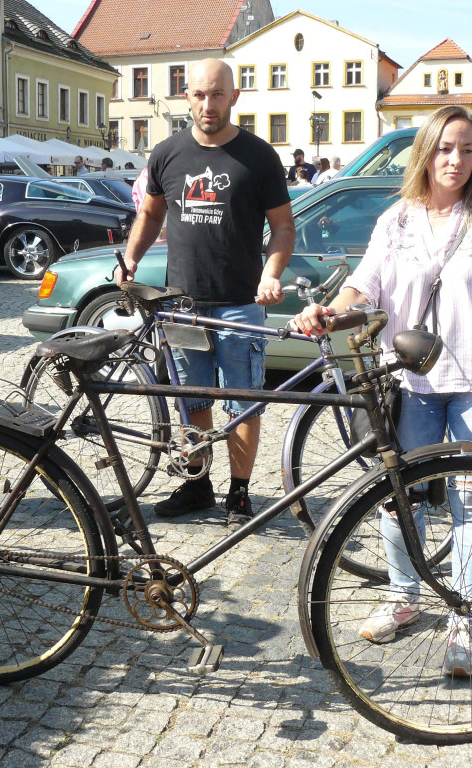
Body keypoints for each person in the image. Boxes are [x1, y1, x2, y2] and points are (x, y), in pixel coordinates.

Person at [291, 105, 472, 678]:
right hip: (408, 381)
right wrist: (332, 313)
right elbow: (364, 283)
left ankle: (464, 618)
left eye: (468, 150)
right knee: (395, 495)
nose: (456, 160)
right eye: (446, 148)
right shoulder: (396, 220)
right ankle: (403, 597)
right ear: (425, 154)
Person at [118, 58, 295, 526]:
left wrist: (271, 273)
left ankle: (239, 495)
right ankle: (197, 484)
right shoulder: (167, 153)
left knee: (242, 403)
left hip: (240, 304)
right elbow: (150, 215)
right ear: (187, 98)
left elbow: (282, 228)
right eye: (199, 94)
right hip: (181, 305)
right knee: (192, 402)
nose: (208, 104)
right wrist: (132, 257)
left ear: (234, 97)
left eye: (217, 94)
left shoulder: (258, 157)